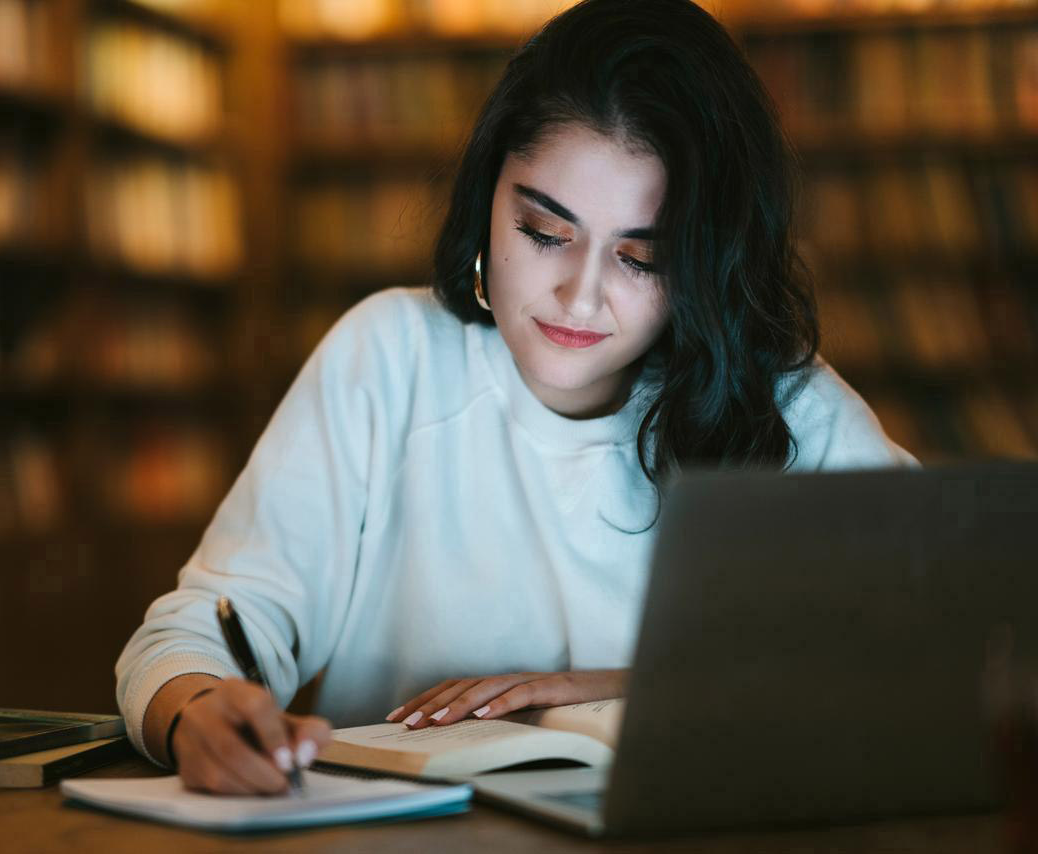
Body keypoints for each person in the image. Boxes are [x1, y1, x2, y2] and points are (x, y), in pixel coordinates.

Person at [116, 0, 918, 796]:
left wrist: (617, 686)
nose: (579, 296)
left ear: (706, 264)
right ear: (488, 196)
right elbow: (197, 631)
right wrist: (197, 713)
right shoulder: (392, 357)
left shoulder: (787, 409)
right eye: (544, 232)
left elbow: (943, 651)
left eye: (641, 258)